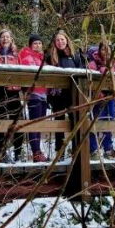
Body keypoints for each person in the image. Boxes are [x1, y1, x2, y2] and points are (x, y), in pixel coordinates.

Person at [46, 29, 83, 157]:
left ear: (67, 41)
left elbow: (81, 72)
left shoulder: (74, 56)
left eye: (62, 39)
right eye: (57, 40)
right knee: (59, 123)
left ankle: (76, 149)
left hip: (72, 94)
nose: (60, 42)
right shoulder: (51, 56)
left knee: (75, 121)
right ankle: (59, 151)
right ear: (54, 42)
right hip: (57, 95)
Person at [0, 29, 24, 162]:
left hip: (14, 91)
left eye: (7, 37)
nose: (5, 39)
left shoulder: (16, 55)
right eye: (2, 37)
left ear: (11, 39)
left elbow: (23, 70)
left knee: (17, 121)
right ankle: (1, 152)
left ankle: (17, 151)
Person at [19, 33, 49, 162]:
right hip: (34, 93)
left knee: (40, 123)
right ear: (30, 45)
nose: (37, 45)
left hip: (43, 93)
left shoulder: (42, 57)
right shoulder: (27, 56)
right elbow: (30, 70)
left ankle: (38, 151)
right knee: (34, 122)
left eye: (39, 43)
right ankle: (36, 152)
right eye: (35, 43)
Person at [88, 42, 115, 159]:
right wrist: (98, 93)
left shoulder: (114, 63)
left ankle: (108, 149)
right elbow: (91, 79)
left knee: (108, 122)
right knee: (95, 122)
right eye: (103, 49)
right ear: (99, 50)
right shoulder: (93, 63)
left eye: (109, 50)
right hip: (98, 98)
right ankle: (94, 150)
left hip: (110, 97)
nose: (106, 52)